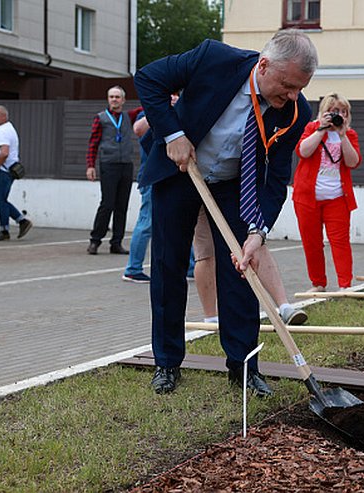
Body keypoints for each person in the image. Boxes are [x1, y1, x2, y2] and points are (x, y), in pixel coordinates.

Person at [134, 29, 316, 396]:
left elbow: (276, 178)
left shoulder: (297, 112)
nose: (293, 95)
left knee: (240, 272)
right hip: (182, 170)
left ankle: (245, 367)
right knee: (169, 266)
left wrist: (257, 231)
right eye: (287, 85)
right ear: (263, 66)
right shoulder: (213, 59)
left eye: (299, 88)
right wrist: (172, 135)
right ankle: (167, 363)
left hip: (235, 185)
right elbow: (148, 78)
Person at [191, 206, 307, 326]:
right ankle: (211, 318)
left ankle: (284, 306)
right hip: (201, 196)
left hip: (234, 192)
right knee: (206, 252)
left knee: (255, 242)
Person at [293, 93, 362, 291]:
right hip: (308, 198)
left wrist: (342, 135)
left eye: (342, 111)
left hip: (338, 198)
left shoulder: (350, 135)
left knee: (340, 242)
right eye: (333, 111)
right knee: (312, 243)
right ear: (323, 113)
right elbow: (303, 152)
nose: (338, 115)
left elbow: (353, 162)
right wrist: (321, 130)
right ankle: (318, 283)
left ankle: (345, 284)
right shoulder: (311, 128)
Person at [123, 94, 180, 283]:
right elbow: (138, 129)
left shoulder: (177, 112)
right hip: (153, 177)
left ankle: (189, 267)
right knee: (146, 222)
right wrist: (159, 108)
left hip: (174, 176)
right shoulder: (150, 112)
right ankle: (133, 269)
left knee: (184, 222)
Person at [86, 86, 138, 255]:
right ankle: (95, 240)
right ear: (108, 99)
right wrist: (90, 165)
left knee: (121, 206)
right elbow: (93, 142)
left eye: (117, 97)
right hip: (108, 164)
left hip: (126, 164)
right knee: (107, 203)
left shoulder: (128, 116)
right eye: (111, 97)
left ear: (123, 100)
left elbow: (145, 106)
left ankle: (117, 242)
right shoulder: (101, 118)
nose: (114, 100)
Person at [0, 105, 33, 241]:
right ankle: (22, 222)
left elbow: (4, 152)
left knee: (0, 200)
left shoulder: (3, 131)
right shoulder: (7, 128)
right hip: (8, 169)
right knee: (1, 200)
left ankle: (5, 230)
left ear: (4, 116)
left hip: (3, 170)